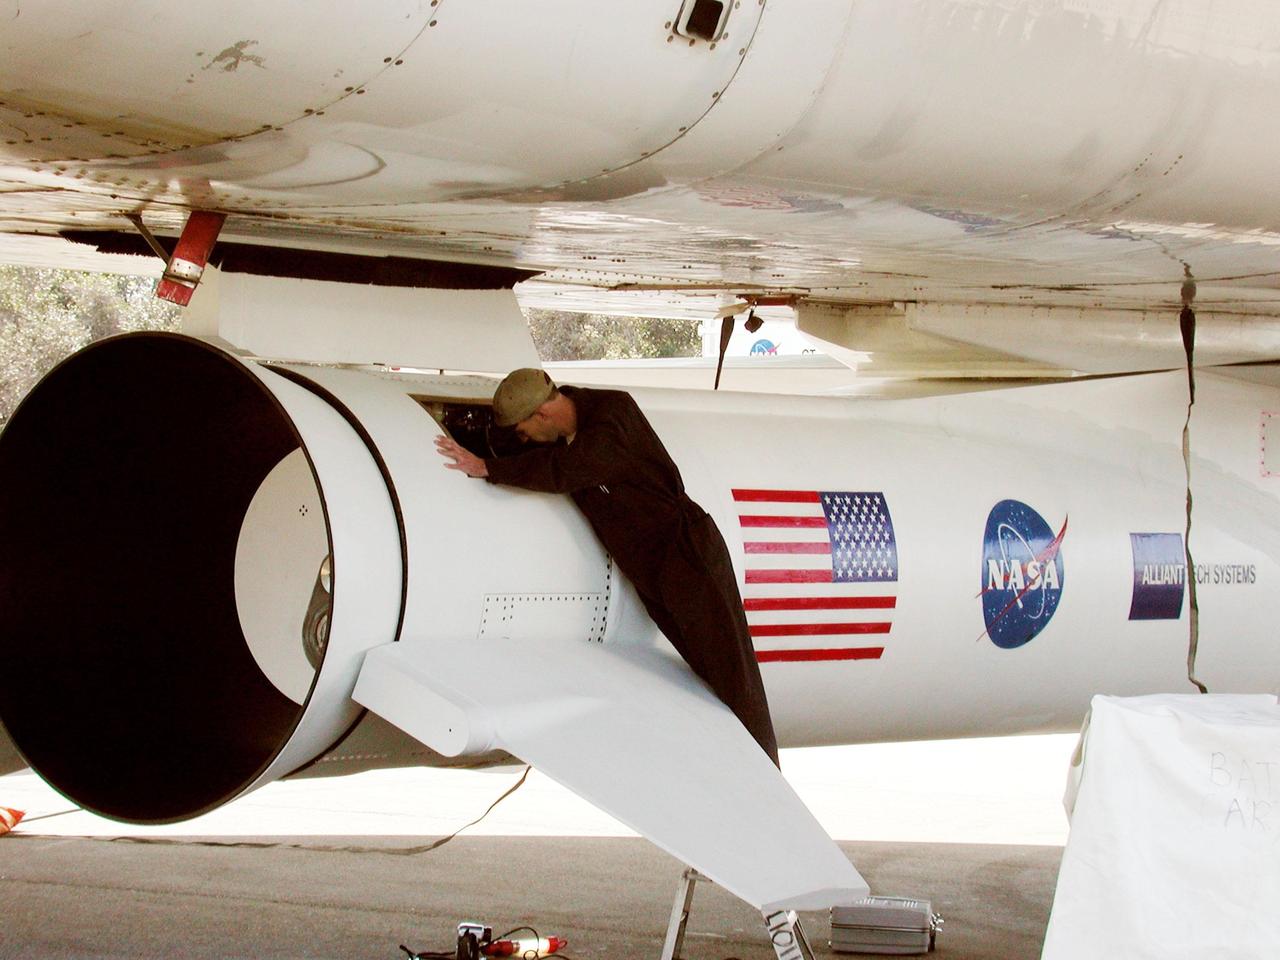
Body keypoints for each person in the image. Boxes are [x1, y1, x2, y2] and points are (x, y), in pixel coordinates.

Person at [434, 368, 780, 766]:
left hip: (687, 556)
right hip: (653, 566)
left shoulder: (611, 420)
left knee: (734, 678)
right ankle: (733, 767)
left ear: (543, 415)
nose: (524, 441)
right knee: (707, 673)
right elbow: (553, 457)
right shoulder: (572, 423)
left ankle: (765, 776)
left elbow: (563, 469)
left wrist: (487, 469)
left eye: (524, 432)